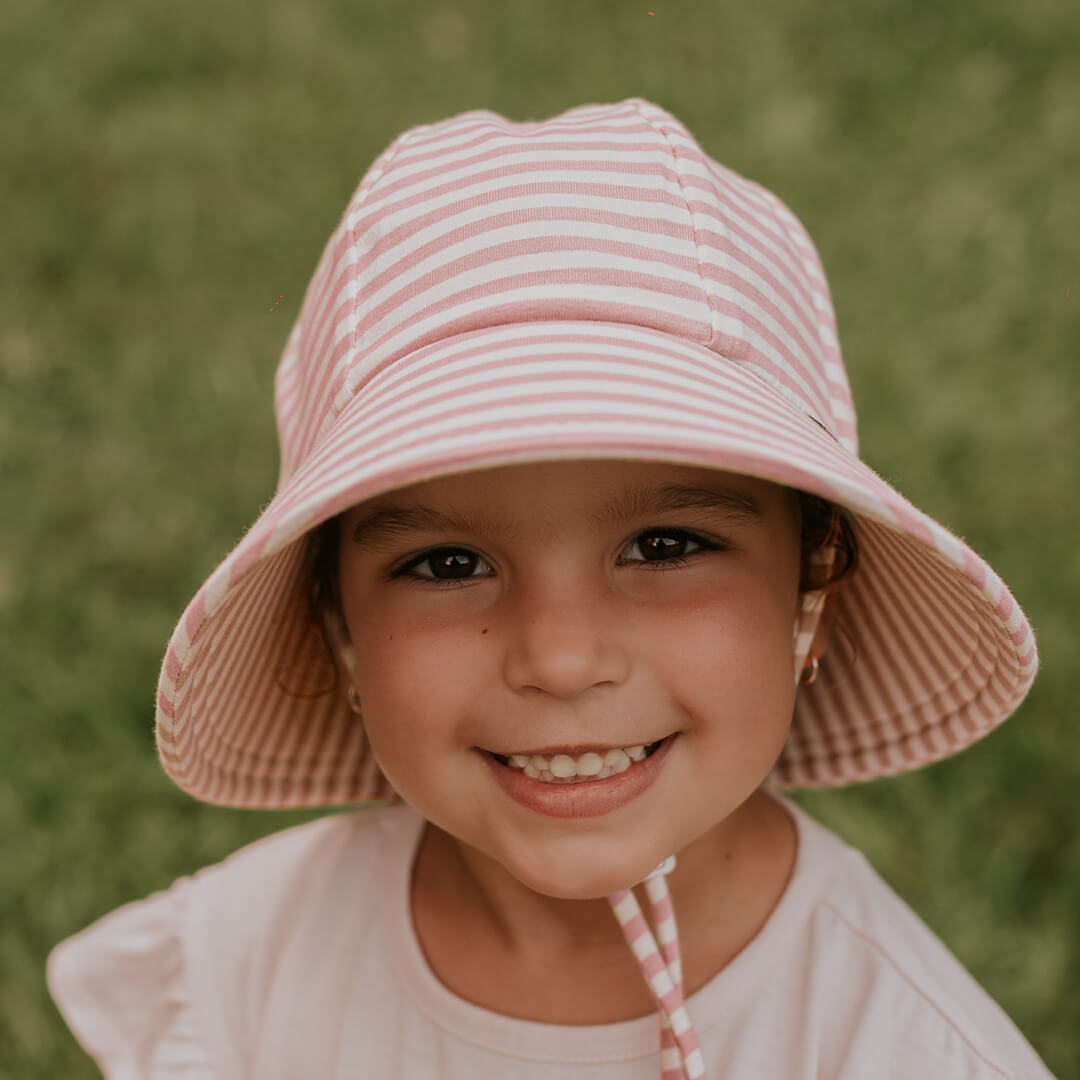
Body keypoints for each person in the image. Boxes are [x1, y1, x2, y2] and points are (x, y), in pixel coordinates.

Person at [46, 97, 1055, 1079]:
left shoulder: (888, 1045)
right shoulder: (259, 958)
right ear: (339, 629)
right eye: (447, 565)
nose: (562, 658)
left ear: (813, 592)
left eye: (664, 544)